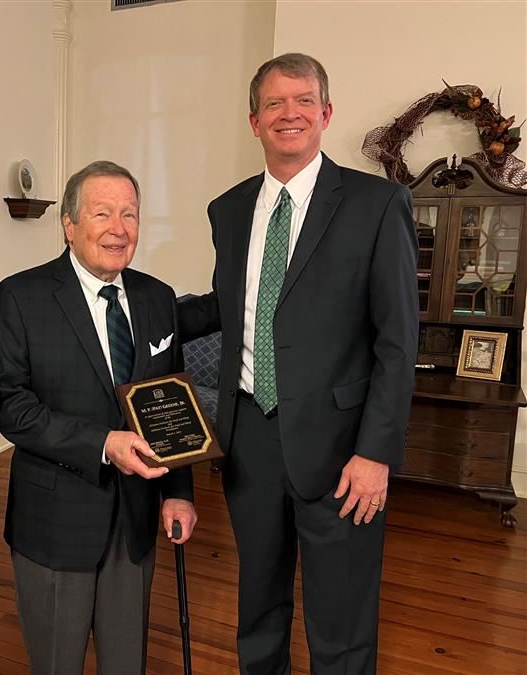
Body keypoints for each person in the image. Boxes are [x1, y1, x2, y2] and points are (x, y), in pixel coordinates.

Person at [179, 53, 418, 674]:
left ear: (326, 113)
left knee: (340, 618)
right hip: (249, 438)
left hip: (344, 449)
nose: (290, 114)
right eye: (275, 104)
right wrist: (142, 307)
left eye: (303, 101)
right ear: (253, 119)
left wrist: (377, 454)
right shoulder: (228, 211)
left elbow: (398, 340)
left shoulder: (377, 203)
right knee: (258, 603)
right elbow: (233, 305)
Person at [0, 161, 198, 675]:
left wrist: (179, 491)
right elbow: (10, 407)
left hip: (136, 519)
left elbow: (171, 405)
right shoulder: (21, 297)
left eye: (129, 214)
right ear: (68, 223)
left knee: (126, 662)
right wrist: (104, 443)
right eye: (102, 212)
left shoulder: (157, 297)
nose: (118, 228)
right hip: (55, 523)